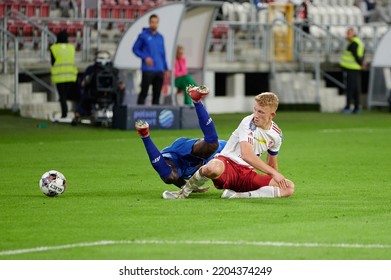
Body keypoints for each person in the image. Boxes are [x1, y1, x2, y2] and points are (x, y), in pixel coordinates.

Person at [162, 92, 295, 199]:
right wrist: (273, 173)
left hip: (247, 174)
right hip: (227, 166)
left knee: (288, 187)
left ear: (272, 115)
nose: (255, 115)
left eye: (261, 112)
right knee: (212, 167)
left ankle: (238, 195)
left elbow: (272, 164)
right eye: (255, 110)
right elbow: (246, 154)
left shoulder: (276, 135)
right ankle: (183, 193)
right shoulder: (248, 123)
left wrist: (276, 177)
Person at [135, 85, 226, 189]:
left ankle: (144, 134)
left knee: (169, 177)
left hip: (186, 167)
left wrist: (186, 187)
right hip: (181, 152)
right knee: (212, 145)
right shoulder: (227, 148)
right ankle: (197, 100)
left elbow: (174, 177)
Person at [71, 50, 125, 126]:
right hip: (94, 93)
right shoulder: (91, 69)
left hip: (110, 94)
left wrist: (120, 84)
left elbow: (120, 83)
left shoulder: (114, 70)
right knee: (84, 95)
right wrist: (86, 81)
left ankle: (119, 113)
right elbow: (83, 83)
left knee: (120, 92)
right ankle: (78, 114)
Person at [133, 14, 169, 105]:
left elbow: (163, 54)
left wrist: (166, 68)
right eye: (152, 22)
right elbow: (135, 49)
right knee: (144, 92)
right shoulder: (143, 36)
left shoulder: (160, 37)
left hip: (159, 69)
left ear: (158, 23)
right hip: (148, 69)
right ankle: (139, 114)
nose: (154, 24)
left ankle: (155, 116)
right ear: (149, 23)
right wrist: (145, 57)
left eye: (156, 22)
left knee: (157, 95)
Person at [50, 29, 78, 119]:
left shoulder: (54, 48)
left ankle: (64, 114)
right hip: (70, 75)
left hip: (59, 76)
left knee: (62, 97)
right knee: (65, 96)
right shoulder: (71, 48)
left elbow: (52, 62)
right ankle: (69, 113)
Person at [340, 27, 366, 115]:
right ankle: (356, 108)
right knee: (356, 89)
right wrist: (362, 63)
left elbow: (356, 56)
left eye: (348, 33)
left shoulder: (353, 43)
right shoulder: (358, 42)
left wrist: (361, 64)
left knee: (351, 89)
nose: (347, 35)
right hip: (354, 69)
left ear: (353, 34)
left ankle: (349, 107)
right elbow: (362, 54)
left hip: (352, 69)